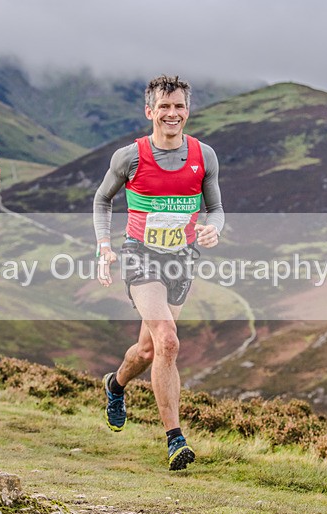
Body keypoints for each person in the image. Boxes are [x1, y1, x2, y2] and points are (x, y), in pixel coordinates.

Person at [93, 75, 224, 470]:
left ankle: (115, 385)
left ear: (188, 110)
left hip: (182, 257)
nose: (172, 113)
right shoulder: (130, 156)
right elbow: (102, 199)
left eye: (179, 106)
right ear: (149, 111)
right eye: (164, 107)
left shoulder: (205, 155)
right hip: (140, 255)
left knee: (149, 350)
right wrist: (104, 246)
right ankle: (175, 439)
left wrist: (214, 227)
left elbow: (215, 207)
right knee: (168, 341)